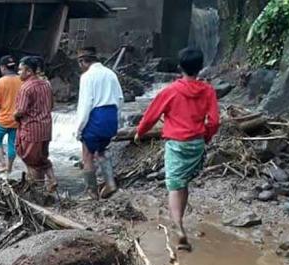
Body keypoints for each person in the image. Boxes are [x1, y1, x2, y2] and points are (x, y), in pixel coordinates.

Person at [134, 48, 220, 252]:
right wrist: (206, 136)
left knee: (174, 184)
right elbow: (215, 121)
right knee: (184, 182)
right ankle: (179, 219)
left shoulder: (170, 90)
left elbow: (151, 115)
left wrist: (140, 132)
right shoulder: (208, 90)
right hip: (196, 144)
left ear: (180, 67)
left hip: (176, 144)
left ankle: (179, 227)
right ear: (200, 67)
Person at [75, 47, 124, 199]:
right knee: (102, 150)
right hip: (111, 116)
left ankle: (92, 192)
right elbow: (120, 99)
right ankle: (110, 183)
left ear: (83, 62)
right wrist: (116, 118)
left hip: (96, 116)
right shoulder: (111, 74)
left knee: (87, 155)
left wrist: (79, 128)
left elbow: (86, 104)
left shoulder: (87, 77)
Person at [14, 56, 57, 192]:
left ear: (28, 71)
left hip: (31, 129)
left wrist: (15, 116)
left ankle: (38, 190)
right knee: (42, 158)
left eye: (20, 70)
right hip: (46, 128)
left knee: (31, 161)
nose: (18, 72)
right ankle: (51, 180)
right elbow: (51, 105)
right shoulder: (46, 84)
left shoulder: (26, 88)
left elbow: (21, 110)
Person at [0, 55, 22, 173]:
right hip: (16, 120)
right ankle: (9, 168)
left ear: (3, 68)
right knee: (12, 144)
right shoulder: (21, 80)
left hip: (3, 119)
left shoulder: (0, 82)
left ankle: (2, 164)